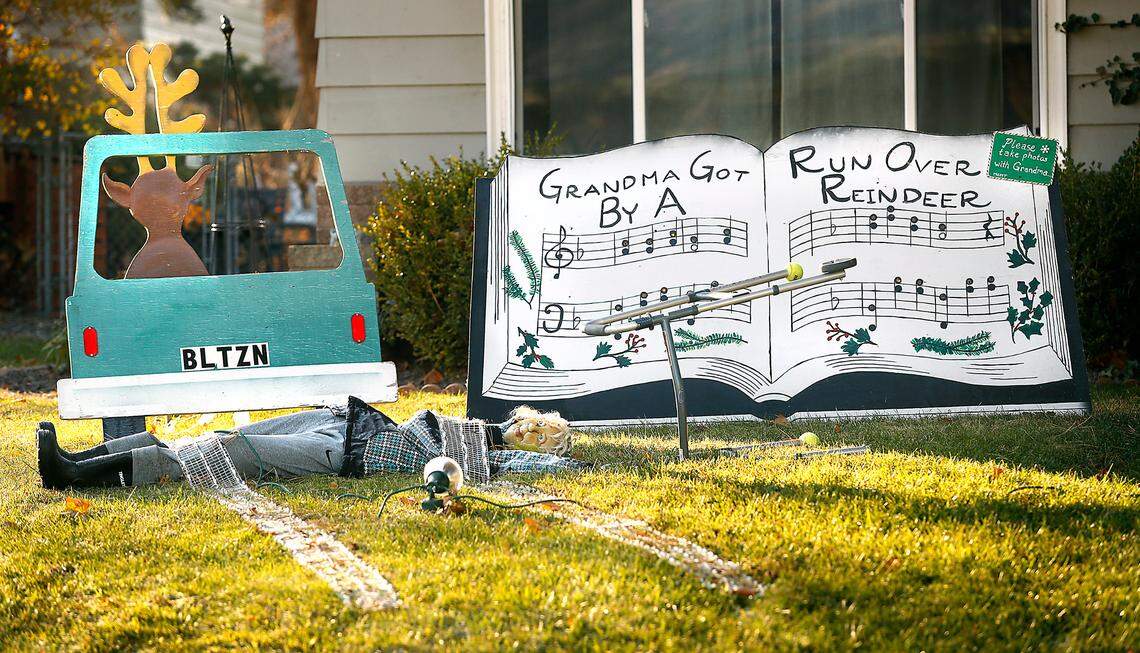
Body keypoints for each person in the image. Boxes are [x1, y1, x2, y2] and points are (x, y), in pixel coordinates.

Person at [37, 397, 584, 490]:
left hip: (338, 455)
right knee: (216, 436)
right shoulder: (474, 427)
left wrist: (561, 453)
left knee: (218, 455)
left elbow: (547, 466)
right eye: (529, 425)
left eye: (533, 432)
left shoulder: (495, 459)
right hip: (336, 421)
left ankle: (79, 476)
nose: (522, 431)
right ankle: (75, 459)